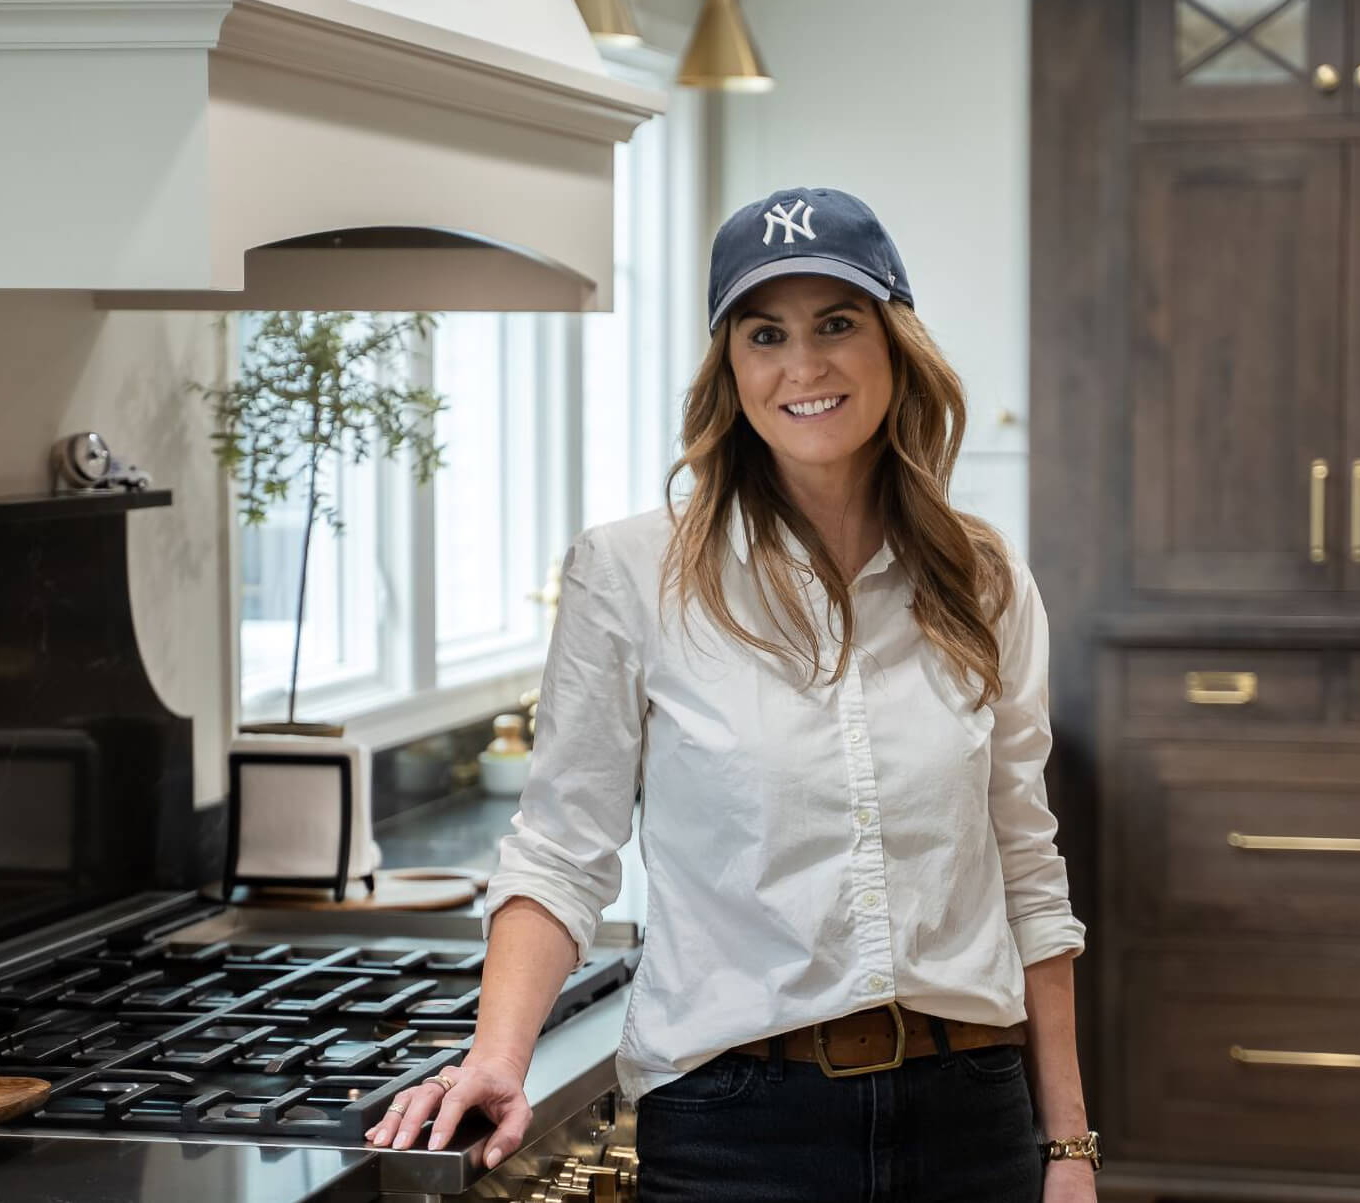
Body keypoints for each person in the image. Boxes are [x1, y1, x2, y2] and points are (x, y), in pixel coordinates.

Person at [365, 187, 1098, 1202]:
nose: (804, 366)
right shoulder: (630, 575)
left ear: (895, 345)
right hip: (736, 1136)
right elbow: (561, 849)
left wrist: (1067, 1147)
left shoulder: (983, 579)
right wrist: (498, 1055)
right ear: (731, 369)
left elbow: (1026, 862)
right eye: (766, 334)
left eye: (837, 324)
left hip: (969, 1119)